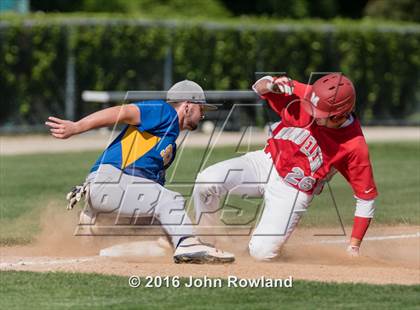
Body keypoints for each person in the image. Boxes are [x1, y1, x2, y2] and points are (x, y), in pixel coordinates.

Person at [45, 80, 235, 264]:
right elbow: (124, 112)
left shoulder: (168, 143)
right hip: (110, 181)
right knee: (171, 201)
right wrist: (77, 126)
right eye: (201, 109)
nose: (202, 115)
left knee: (165, 237)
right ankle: (187, 244)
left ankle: (100, 229)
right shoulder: (164, 112)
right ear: (187, 106)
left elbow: (150, 193)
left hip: (119, 190)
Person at [192, 73, 378, 261]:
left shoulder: (354, 145)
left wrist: (354, 246)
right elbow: (258, 86)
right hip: (265, 162)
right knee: (206, 182)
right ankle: (207, 243)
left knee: (261, 253)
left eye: (320, 114)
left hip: (293, 190)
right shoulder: (309, 94)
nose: (312, 114)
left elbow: (366, 198)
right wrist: (272, 84)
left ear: (339, 116)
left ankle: (265, 247)